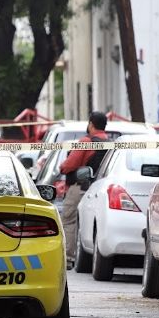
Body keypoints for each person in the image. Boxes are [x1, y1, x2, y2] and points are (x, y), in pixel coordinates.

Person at [59, 111, 109, 269]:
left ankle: (68, 258)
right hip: (98, 190)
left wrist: (62, 167)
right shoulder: (110, 142)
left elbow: (68, 165)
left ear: (91, 124)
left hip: (79, 187)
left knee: (69, 220)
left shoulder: (85, 141)